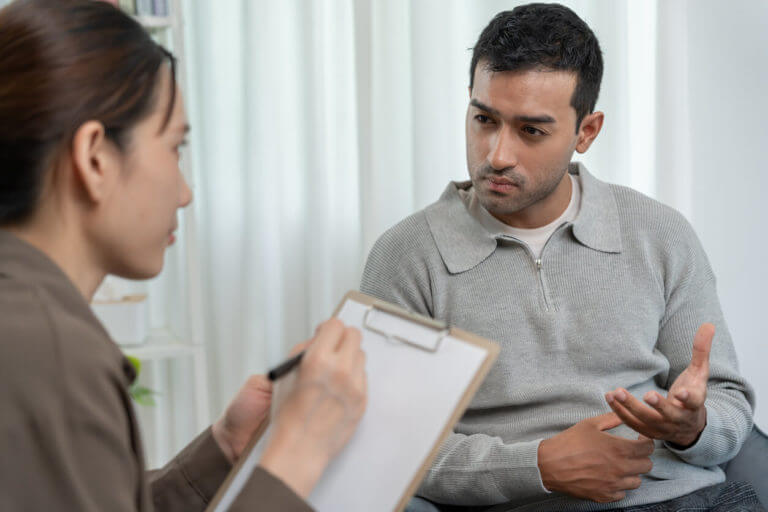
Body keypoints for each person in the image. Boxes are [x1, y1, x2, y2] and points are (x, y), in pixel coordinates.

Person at [360, 4, 761, 511]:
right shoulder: (407, 256)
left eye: (531, 131)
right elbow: (387, 447)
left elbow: (726, 406)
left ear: (586, 132)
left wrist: (692, 427)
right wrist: (540, 465)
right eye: (484, 119)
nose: (496, 154)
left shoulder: (659, 234)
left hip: (676, 501)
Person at [0, 1, 366, 510]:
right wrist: (296, 452)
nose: (185, 192)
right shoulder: (51, 351)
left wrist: (223, 450)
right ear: (94, 158)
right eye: (174, 148)